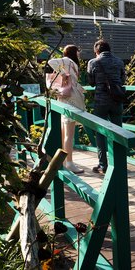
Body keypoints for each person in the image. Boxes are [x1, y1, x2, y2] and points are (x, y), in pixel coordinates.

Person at [87, 39, 126, 174]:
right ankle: (120, 164)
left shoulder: (93, 62)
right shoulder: (119, 61)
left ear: (97, 51)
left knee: (100, 133)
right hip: (117, 101)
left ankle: (103, 165)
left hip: (101, 102)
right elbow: (122, 80)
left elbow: (91, 82)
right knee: (118, 132)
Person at [48, 45, 86, 174]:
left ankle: (65, 161)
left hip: (66, 97)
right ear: (74, 52)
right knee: (69, 133)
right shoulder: (68, 61)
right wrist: (64, 74)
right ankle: (69, 162)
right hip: (71, 99)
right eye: (78, 52)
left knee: (65, 132)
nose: (79, 54)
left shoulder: (68, 62)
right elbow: (51, 62)